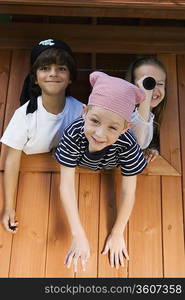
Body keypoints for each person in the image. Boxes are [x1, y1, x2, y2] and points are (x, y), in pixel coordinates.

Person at [54, 71, 147, 271]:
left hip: (111, 165)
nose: (99, 133)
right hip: (81, 162)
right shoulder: (73, 133)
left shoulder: (128, 143)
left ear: (125, 128)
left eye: (113, 128)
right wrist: (78, 234)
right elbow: (67, 185)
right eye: (95, 121)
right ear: (84, 112)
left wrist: (117, 232)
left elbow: (128, 191)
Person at [0, 38, 83, 233]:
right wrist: (9, 207)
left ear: (70, 77)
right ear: (35, 77)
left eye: (61, 68)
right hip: (32, 199)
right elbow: (12, 159)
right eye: (45, 68)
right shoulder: (25, 115)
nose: (53, 74)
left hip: (74, 195)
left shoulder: (81, 111)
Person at [126, 56, 167, 162]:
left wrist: (154, 150)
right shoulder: (124, 116)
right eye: (148, 83)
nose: (153, 89)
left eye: (160, 84)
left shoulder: (163, 117)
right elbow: (138, 142)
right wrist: (145, 97)